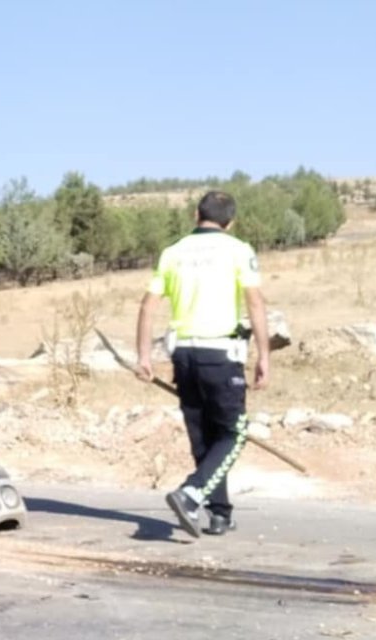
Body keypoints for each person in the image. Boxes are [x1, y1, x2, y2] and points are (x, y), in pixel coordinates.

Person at [135, 190, 271, 539]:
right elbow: (255, 304)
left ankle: (220, 514)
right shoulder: (238, 250)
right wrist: (264, 355)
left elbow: (148, 306)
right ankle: (191, 493)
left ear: (196, 214)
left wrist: (144, 357)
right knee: (234, 433)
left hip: (183, 356)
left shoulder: (173, 251)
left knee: (204, 438)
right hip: (220, 355)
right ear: (231, 221)